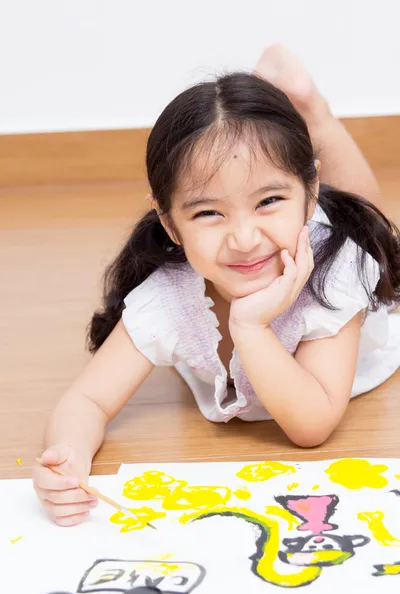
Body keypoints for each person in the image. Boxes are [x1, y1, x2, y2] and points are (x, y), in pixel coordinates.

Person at [33, 44, 400, 526]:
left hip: (327, 242)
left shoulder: (336, 271)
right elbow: (87, 399)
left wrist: (250, 329)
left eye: (268, 200)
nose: (244, 239)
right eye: (208, 212)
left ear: (307, 194)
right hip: (288, 223)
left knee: (376, 232)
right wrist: (68, 452)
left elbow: (312, 423)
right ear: (168, 223)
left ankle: (316, 113)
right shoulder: (170, 295)